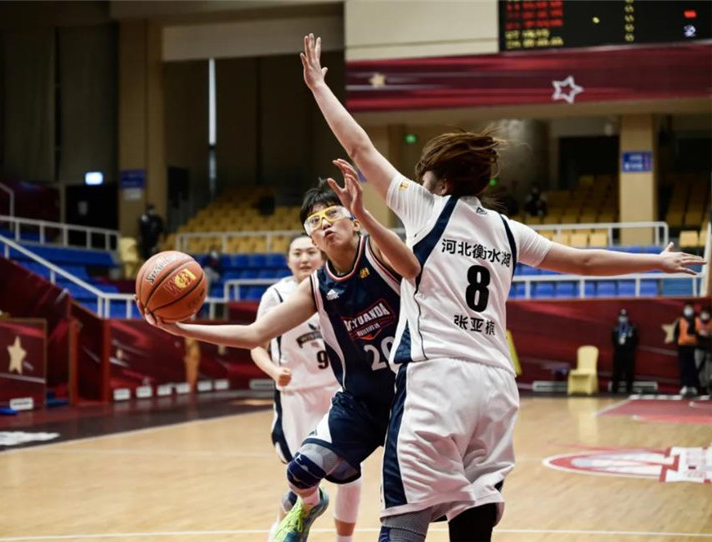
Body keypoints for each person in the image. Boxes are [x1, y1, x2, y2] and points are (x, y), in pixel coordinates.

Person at [299, 33, 706, 542]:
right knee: (473, 511)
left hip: (437, 378)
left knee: (406, 515)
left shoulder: (425, 207)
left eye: (425, 174)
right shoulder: (509, 231)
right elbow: (582, 261)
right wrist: (656, 261)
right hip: (495, 387)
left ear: (442, 182)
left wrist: (318, 87)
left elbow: (359, 146)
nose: (418, 179)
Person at [139, 163, 420, 542]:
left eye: (333, 214)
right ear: (312, 239)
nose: (325, 224)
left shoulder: (380, 252)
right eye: (314, 222)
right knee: (300, 472)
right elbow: (255, 334)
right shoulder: (315, 288)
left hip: (411, 395)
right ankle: (309, 506)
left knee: (405, 504)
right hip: (361, 402)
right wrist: (179, 328)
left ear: (353, 221)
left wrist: (366, 213)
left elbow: (413, 265)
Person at [251, 234, 355, 541]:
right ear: (288, 261)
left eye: (310, 251)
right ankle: (281, 529)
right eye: (297, 253)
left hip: (337, 392)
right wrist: (273, 370)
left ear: (322, 255)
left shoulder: (340, 288)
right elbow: (256, 345)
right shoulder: (276, 295)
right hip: (297, 396)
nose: (304, 258)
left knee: (351, 475)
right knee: (302, 478)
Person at [610, 309, 638, 394]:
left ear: (627, 317)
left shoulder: (632, 328)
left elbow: (636, 340)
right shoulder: (615, 328)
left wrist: (630, 348)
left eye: (624, 316)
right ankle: (615, 389)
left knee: (629, 371)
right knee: (617, 371)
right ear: (619, 317)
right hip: (618, 352)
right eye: (621, 316)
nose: (623, 318)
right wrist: (618, 346)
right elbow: (613, 340)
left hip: (629, 353)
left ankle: (629, 389)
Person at [676, 302, 699, 397]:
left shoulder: (697, 320)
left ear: (693, 309)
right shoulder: (680, 320)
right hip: (682, 347)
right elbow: (676, 334)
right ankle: (684, 386)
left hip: (694, 347)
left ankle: (693, 386)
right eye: (686, 308)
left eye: (690, 308)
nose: (688, 310)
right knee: (683, 367)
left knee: (693, 367)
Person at [694, 305, 711, 395]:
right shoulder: (696, 321)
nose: (705, 315)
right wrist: (699, 334)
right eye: (704, 312)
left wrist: (709, 335)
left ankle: (708, 387)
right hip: (699, 348)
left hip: (709, 350)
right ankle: (702, 387)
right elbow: (690, 332)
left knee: (708, 369)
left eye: (707, 313)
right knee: (699, 368)